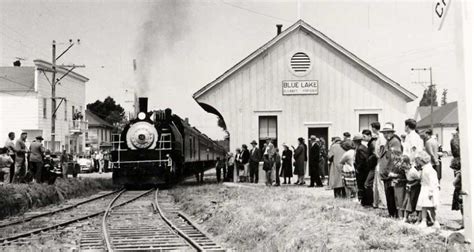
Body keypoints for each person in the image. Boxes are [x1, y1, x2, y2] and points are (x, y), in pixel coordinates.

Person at [379, 122, 403, 218]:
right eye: (384, 133)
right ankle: (391, 213)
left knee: (391, 193)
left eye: (388, 132)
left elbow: (395, 158)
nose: (385, 135)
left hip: (391, 173)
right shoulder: (388, 142)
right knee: (388, 193)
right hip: (387, 172)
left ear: (392, 133)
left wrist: (390, 171)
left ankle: (394, 214)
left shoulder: (395, 142)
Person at [416, 151, 440, 229]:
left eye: (418, 160)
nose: (417, 162)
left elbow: (432, 181)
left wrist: (431, 192)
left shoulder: (428, 169)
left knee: (427, 206)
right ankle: (431, 221)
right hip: (425, 188)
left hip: (428, 189)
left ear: (421, 159)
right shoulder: (425, 168)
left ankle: (426, 221)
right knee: (425, 206)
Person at [371, 122, 387, 209]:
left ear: (374, 128)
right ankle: (376, 202)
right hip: (378, 161)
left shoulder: (381, 137)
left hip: (380, 161)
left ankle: (383, 203)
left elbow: (382, 147)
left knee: (380, 182)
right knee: (376, 183)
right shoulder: (378, 137)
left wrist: (379, 156)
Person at [401, 155, 422, 222]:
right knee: (406, 202)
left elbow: (418, 180)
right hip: (409, 188)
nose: (401, 164)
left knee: (413, 202)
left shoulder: (413, 171)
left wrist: (411, 185)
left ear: (407, 163)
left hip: (414, 189)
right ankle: (405, 217)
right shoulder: (405, 170)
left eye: (402, 163)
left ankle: (419, 218)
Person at [450, 127, 463, 228]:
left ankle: (465, 220)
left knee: (460, 191)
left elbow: (456, 154)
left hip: (460, 166)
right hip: (462, 165)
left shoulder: (454, 140)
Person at [353, 133, 369, 202]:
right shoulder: (362, 147)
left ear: (356, 141)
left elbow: (362, 160)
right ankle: (362, 199)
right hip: (363, 169)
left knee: (361, 184)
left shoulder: (360, 148)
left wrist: (358, 168)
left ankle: (362, 199)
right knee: (361, 185)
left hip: (361, 170)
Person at [363, 131, 377, 206]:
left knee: (367, 184)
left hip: (373, 166)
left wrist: (369, 159)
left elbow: (375, 153)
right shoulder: (371, 143)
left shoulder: (372, 143)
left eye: (364, 136)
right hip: (372, 166)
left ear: (369, 135)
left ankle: (370, 201)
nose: (363, 138)